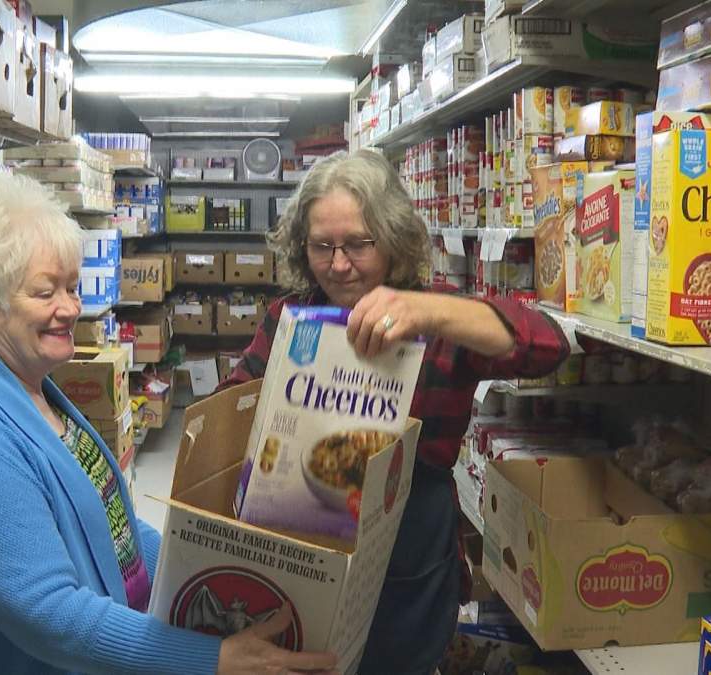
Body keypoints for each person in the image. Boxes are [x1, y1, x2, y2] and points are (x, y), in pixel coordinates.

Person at [0, 172, 337, 675]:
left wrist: (209, 565)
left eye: (72, 286)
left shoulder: (30, 386)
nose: (70, 308)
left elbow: (110, 526)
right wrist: (209, 659)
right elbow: (48, 612)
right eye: (45, 293)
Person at [219, 150, 571, 675]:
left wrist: (432, 312)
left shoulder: (436, 319)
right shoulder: (291, 318)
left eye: (359, 244)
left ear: (393, 236)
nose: (339, 265)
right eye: (322, 247)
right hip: (302, 541)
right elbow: (229, 409)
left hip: (409, 557)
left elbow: (547, 346)